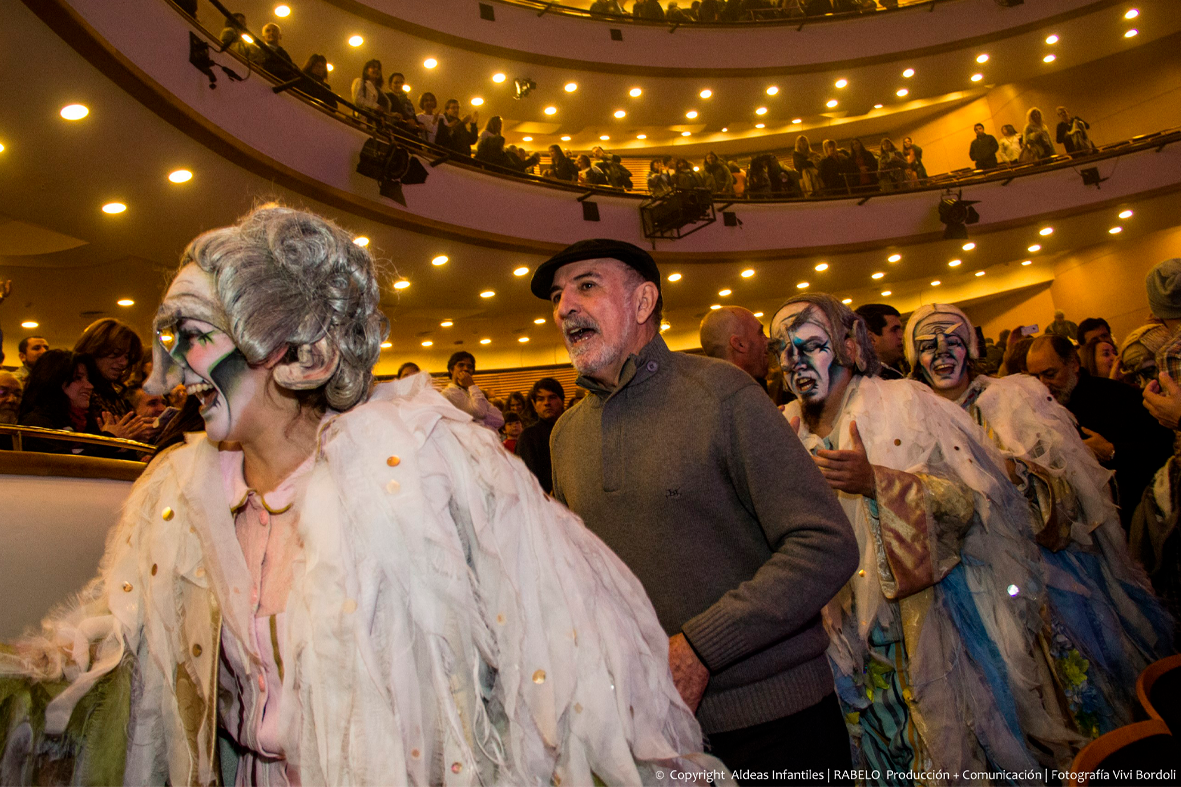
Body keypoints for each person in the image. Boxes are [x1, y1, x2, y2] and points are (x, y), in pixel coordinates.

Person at [0, 207, 720, 785]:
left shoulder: (428, 468)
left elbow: (557, 656)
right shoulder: (177, 494)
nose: (171, 370)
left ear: (299, 352)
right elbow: (118, 639)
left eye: (195, 335)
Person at [534, 238, 860, 780]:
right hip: (655, 737)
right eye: (556, 296)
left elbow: (826, 545)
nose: (565, 306)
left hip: (775, 724)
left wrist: (701, 648)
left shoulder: (722, 394)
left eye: (586, 285)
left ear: (643, 302)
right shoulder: (565, 435)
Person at [772, 294, 1071, 777]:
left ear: (850, 347)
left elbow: (968, 504)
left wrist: (878, 483)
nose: (795, 361)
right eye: (783, 349)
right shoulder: (779, 428)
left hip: (924, 628)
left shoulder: (909, 405)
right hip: (837, 644)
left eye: (811, 345)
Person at [905, 304, 1173, 738]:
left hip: (1046, 571)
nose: (941, 353)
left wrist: (1021, 475)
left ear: (971, 347)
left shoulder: (1014, 398)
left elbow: (1070, 488)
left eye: (952, 340)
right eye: (927, 345)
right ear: (913, 356)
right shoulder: (909, 417)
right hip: (968, 582)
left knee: (1075, 688)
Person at [1025, 335, 1175, 531]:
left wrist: (1112, 451)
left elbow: (1165, 447)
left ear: (1074, 364)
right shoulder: (1037, 412)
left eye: (1050, 374)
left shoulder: (1118, 397)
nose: (1043, 385)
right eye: (1035, 378)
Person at [74, 318, 154, 441]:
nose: (123, 362)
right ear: (94, 349)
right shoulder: (76, 391)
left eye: (127, 356)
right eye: (115, 354)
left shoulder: (115, 396)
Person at [514, 377, 565, 494]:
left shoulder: (572, 429)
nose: (547, 403)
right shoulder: (528, 437)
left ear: (562, 400)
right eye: (540, 399)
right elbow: (527, 479)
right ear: (534, 404)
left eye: (552, 397)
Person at [698, 305, 770, 384]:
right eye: (760, 333)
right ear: (739, 344)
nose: (767, 341)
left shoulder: (710, 388)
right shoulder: (743, 390)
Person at [441, 350, 505, 431]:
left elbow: (500, 420)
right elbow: (480, 413)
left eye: (469, 366)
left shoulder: (472, 392)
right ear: (451, 370)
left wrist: (478, 420)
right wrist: (471, 385)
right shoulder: (448, 394)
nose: (466, 369)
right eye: (461, 365)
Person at [853, 303, 905, 379]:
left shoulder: (896, 370)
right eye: (894, 330)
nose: (901, 336)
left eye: (901, 329)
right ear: (871, 339)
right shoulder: (868, 381)